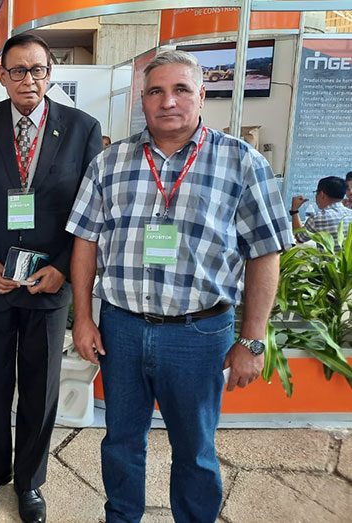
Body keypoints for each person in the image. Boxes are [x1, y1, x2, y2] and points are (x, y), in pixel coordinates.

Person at [66, 50, 292, 523]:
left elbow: (265, 253)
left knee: (195, 449)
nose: (168, 101)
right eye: (155, 91)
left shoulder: (242, 162)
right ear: (142, 101)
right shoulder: (109, 163)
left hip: (200, 335)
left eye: (181, 89)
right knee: (121, 441)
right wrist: (84, 318)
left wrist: (252, 339)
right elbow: (85, 242)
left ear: (202, 96)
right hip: (122, 330)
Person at [0, 34, 102, 523]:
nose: (27, 79)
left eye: (36, 69)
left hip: (49, 283)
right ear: (1, 75)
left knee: (40, 388)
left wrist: (62, 266)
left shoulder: (82, 128)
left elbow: (89, 210)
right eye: (16, 70)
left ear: (50, 72)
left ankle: (30, 481)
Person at [291, 176, 352, 249]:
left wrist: (294, 210)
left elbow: (299, 237)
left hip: (329, 260)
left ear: (322, 194)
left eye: (316, 192)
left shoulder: (317, 218)